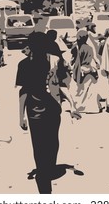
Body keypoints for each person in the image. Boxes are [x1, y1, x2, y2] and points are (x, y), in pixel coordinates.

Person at [16, 32, 80, 194]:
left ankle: (48, 167)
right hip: (35, 111)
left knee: (52, 142)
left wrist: (72, 105)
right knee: (39, 144)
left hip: (53, 109)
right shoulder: (24, 65)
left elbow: (61, 85)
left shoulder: (55, 61)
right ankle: (43, 176)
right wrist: (21, 115)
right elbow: (23, 91)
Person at [70, 29, 101, 113]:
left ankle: (79, 105)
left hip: (78, 69)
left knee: (80, 88)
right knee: (88, 89)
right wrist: (97, 65)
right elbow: (94, 59)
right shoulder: (89, 48)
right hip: (87, 69)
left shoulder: (75, 47)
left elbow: (72, 59)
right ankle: (90, 106)